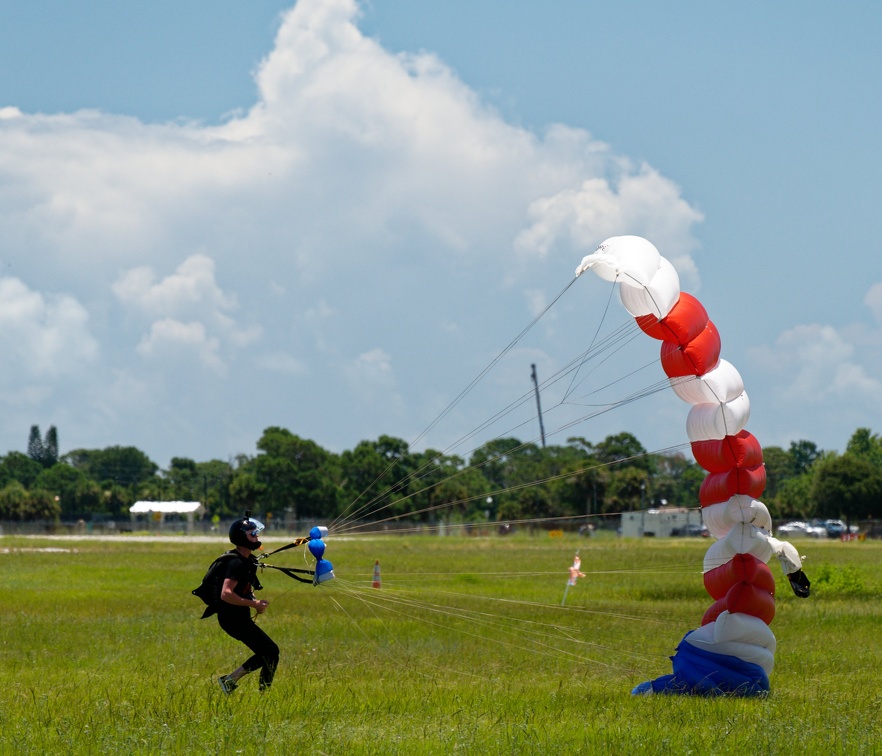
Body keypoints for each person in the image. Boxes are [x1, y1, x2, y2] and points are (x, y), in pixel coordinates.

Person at [216, 515, 280, 694]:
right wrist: (254, 604)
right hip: (232, 619)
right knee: (270, 651)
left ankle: (231, 681)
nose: (257, 538)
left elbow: (243, 589)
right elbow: (226, 593)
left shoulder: (248, 560)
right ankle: (260, 692)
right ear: (242, 538)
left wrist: (254, 601)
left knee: (268, 652)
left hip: (238, 617)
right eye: (253, 535)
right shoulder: (236, 563)